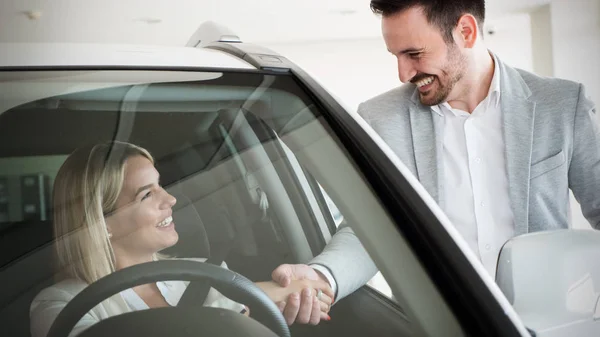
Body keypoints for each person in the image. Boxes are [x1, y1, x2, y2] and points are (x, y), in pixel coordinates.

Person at [271, 0, 600, 325]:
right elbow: (371, 232)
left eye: (414, 54)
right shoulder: (380, 120)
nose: (403, 74)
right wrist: (320, 276)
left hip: (552, 327)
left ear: (466, 32)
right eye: (396, 56)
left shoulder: (561, 106)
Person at [30, 141, 333, 337]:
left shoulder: (205, 270)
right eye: (147, 194)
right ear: (102, 223)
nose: (171, 199)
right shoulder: (61, 303)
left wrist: (295, 293)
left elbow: (301, 293)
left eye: (160, 186)